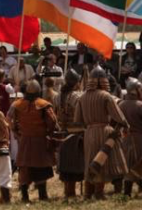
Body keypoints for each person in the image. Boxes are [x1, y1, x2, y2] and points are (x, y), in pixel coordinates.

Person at [75, 65, 129, 200]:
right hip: (104, 131)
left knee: (90, 162)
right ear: (103, 81)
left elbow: (77, 119)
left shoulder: (82, 97)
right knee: (101, 161)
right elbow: (117, 115)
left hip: (88, 132)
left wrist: (88, 127)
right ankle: (98, 193)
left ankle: (88, 193)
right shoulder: (106, 96)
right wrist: (125, 124)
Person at [9, 79, 57, 202]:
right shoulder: (44, 105)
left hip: (24, 141)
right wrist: (48, 133)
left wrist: (17, 133)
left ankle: (25, 196)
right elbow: (52, 121)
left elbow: (9, 119)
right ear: (38, 91)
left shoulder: (17, 105)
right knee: (40, 167)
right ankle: (42, 195)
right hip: (39, 141)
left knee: (25, 168)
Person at [56, 69, 84, 200]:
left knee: (66, 164)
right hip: (76, 133)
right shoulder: (76, 96)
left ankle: (68, 191)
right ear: (76, 82)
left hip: (63, 132)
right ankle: (71, 192)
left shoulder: (58, 96)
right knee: (74, 164)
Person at [119, 78, 142, 196]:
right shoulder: (140, 105)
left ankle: (127, 193)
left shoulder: (121, 105)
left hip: (125, 138)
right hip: (138, 139)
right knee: (138, 164)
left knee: (128, 165)